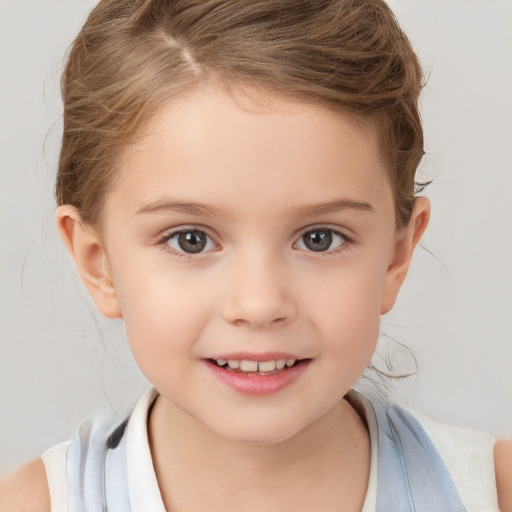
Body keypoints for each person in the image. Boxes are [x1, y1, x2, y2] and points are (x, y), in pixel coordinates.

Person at [1, 0, 511, 510]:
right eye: (190, 240)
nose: (260, 302)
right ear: (99, 263)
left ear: (396, 257)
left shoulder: (495, 491)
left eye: (320, 238)